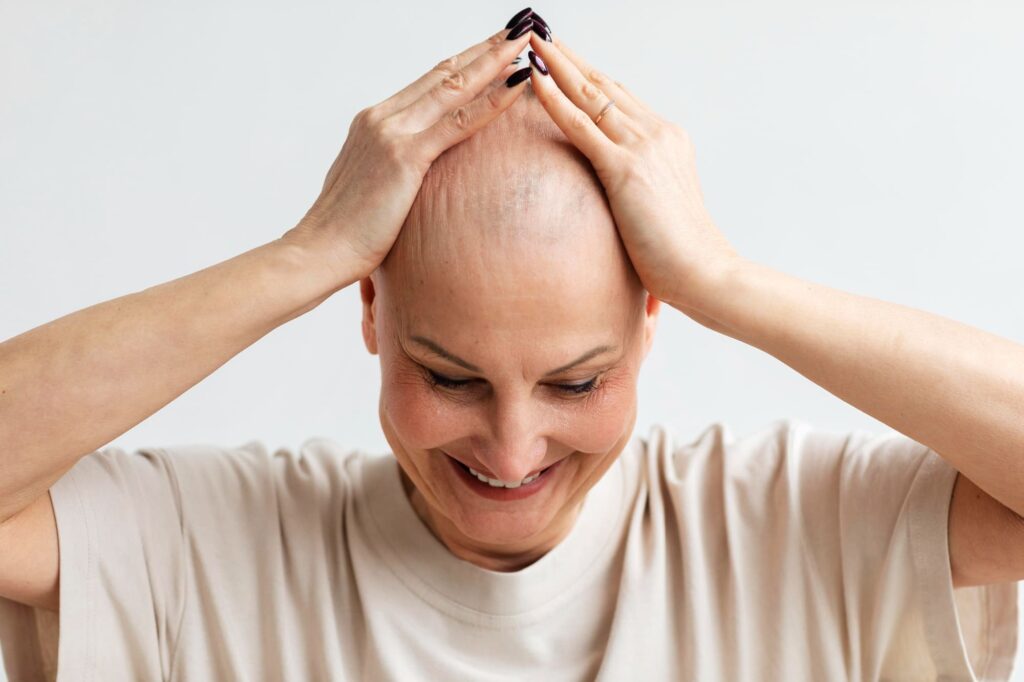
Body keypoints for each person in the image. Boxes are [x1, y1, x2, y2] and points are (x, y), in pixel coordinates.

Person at [0, 7, 1021, 681]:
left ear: (650, 319)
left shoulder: (793, 525)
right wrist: (303, 252)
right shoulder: (202, 545)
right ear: (368, 313)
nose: (512, 447)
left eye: (577, 381)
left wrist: (724, 279)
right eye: (450, 376)